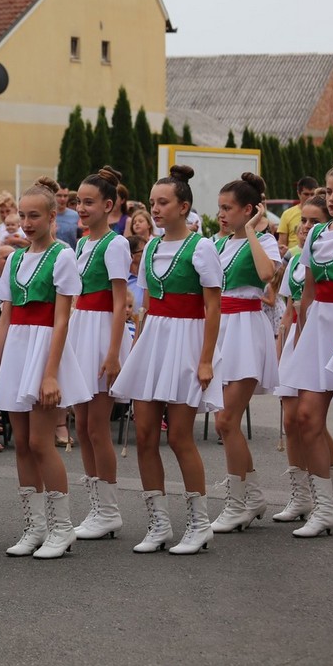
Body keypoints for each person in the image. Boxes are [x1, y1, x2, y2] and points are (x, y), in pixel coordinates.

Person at [111, 165, 222, 555]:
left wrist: (206, 361)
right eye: (153, 202)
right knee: (144, 435)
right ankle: (158, 523)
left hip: (187, 342)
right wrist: (138, 348)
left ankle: (199, 523)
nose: (155, 209)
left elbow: (213, 308)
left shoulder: (202, 247)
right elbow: (145, 305)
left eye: (163, 203)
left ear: (184, 206)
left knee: (178, 436)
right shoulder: (153, 246)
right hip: (154, 340)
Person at [0, 177, 92, 559]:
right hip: (17, 351)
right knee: (22, 447)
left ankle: (62, 528)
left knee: (39, 443)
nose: (27, 222)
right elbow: (4, 319)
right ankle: (35, 527)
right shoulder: (13, 258)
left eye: (35, 216)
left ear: (52, 216)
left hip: (46, 351)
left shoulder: (63, 256)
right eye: (23, 215)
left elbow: (62, 320)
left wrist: (50, 373)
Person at [280, 158, 333, 537]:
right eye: (329, 192)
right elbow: (310, 290)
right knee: (306, 419)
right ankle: (325, 507)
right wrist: (301, 335)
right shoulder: (314, 235)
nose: (332, 198)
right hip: (318, 328)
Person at [210, 173, 282, 533]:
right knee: (226, 421)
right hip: (222, 331)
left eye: (228, 208)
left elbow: (268, 274)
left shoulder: (265, 241)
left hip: (246, 331)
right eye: (220, 208)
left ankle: (238, 502)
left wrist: (252, 231)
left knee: (225, 421)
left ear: (249, 210)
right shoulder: (217, 244)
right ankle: (250, 496)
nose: (221, 215)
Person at [271, 194, 333, 524]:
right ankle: (302, 494)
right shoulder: (295, 261)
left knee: (313, 420)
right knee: (292, 421)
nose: (305, 228)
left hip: (323, 336)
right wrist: (281, 350)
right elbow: (289, 311)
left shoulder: (330, 257)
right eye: (302, 221)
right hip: (297, 341)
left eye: (313, 222)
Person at [66, 167, 133, 540]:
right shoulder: (82, 243)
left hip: (103, 332)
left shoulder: (115, 244)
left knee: (96, 426)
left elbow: (121, 300)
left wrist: (113, 353)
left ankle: (108, 510)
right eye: (78, 201)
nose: (81, 207)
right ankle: (96, 506)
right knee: (82, 425)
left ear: (108, 206)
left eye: (88, 202)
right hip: (81, 330)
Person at [277, 177, 319, 252]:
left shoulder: (321, 214)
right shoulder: (287, 214)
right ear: (298, 193)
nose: (309, 197)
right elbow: (282, 244)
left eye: (312, 194)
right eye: (306, 194)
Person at [54, 184, 80, 249]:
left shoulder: (76, 216)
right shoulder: (48, 215)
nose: (62, 199)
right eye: (59, 196)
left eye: (65, 196)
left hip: (71, 253)